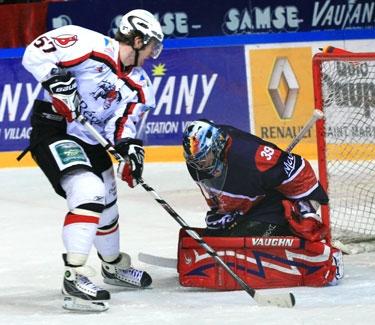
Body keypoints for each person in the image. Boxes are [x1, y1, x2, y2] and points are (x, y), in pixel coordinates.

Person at [20, 9, 164, 312]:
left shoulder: (140, 84)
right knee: (88, 192)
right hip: (55, 128)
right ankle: (74, 276)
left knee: (108, 203)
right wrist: (55, 79)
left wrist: (129, 148)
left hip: (90, 137)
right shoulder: (87, 44)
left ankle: (112, 266)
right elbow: (34, 53)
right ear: (137, 40)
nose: (154, 53)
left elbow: (123, 125)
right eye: (152, 45)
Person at [178, 119, 343, 289]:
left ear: (218, 148)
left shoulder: (251, 156)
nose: (201, 165)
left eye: (205, 158)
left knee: (239, 240)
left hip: (274, 204)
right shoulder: (197, 164)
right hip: (251, 205)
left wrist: (306, 212)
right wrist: (224, 213)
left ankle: (303, 253)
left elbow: (301, 173)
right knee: (218, 239)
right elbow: (221, 192)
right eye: (197, 161)